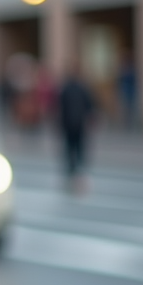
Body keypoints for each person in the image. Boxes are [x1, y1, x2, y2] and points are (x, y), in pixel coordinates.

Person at [57, 64, 95, 192]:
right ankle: (75, 169)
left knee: (73, 147)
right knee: (74, 147)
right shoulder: (74, 88)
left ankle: (75, 169)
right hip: (74, 123)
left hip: (72, 123)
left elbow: (88, 104)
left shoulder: (69, 88)